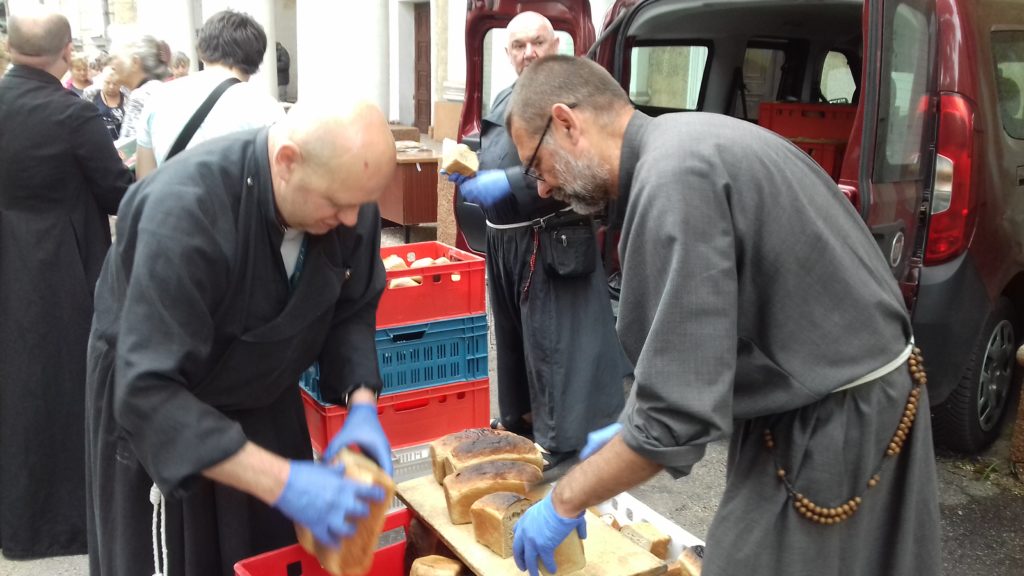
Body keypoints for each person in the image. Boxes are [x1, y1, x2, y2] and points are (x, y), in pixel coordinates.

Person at [505, 56, 942, 576]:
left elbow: (674, 421)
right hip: (841, 399)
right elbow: (701, 347)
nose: (542, 189)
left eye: (536, 165)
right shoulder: (684, 139)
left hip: (836, 421)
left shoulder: (674, 177)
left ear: (566, 123)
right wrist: (630, 422)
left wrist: (566, 499)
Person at [84, 99, 398, 576]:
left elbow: (350, 306)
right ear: (287, 161)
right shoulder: (186, 208)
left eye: (361, 203)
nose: (353, 219)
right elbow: (149, 390)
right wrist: (284, 481)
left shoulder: (346, 199)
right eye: (337, 203)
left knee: (265, 552)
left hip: (266, 397)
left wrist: (361, 403)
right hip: (167, 405)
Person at [447, 12, 630, 468]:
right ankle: (521, 429)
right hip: (504, 243)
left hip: (551, 241)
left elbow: (580, 169)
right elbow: (492, 145)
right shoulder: (508, 96)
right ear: (507, 54)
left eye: (538, 42)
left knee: (556, 349)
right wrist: (470, 162)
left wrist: (509, 181)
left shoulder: (574, 97)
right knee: (514, 348)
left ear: (557, 46)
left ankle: (564, 446)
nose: (529, 52)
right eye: (519, 45)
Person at [0, 9, 132, 559]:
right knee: (61, 392)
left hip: (9, 261)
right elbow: (115, 193)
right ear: (66, 52)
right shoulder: (71, 116)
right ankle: (60, 525)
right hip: (59, 271)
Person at [135, 9, 284, 179]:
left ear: (202, 50)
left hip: (171, 203)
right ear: (257, 58)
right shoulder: (266, 108)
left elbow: (144, 179)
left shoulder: (158, 98)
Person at [111, 35, 171, 139]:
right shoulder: (159, 89)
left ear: (135, 62)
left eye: (115, 58)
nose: (112, 65)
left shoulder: (140, 97)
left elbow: (128, 150)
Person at [89, 66, 127, 139]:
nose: (111, 87)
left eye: (115, 83)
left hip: (124, 143)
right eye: (107, 82)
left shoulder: (128, 97)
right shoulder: (91, 96)